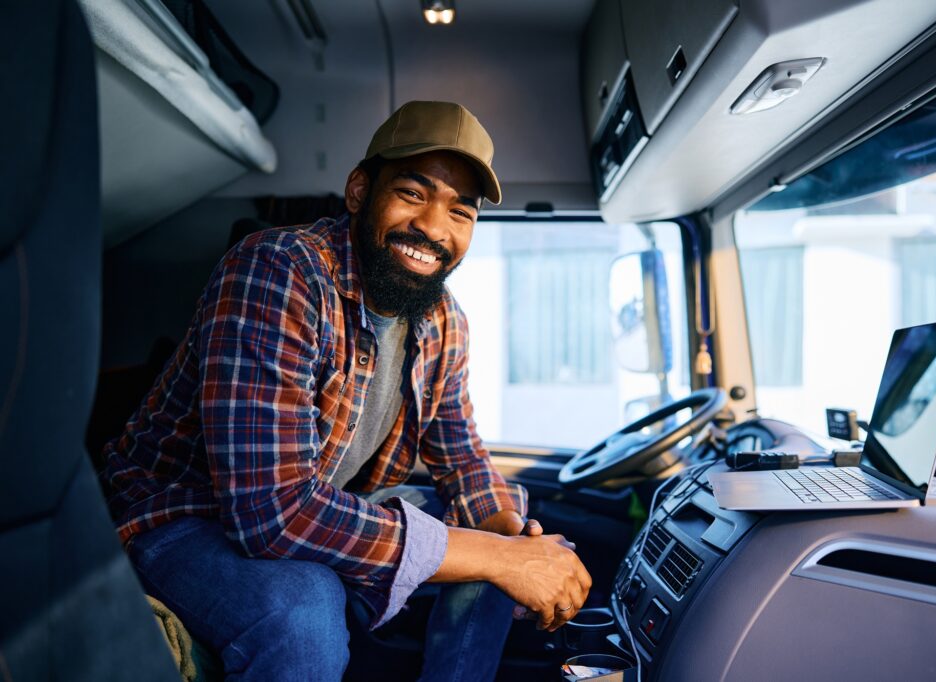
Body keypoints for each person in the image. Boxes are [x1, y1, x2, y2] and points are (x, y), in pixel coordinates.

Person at [99, 100, 591, 681]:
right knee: (303, 608)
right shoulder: (278, 272)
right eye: (413, 194)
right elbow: (270, 512)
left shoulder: (444, 321)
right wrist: (498, 556)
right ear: (360, 191)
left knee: (495, 537)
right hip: (181, 518)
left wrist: (510, 538)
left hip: (320, 500)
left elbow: (461, 457)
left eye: (460, 211)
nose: (434, 228)